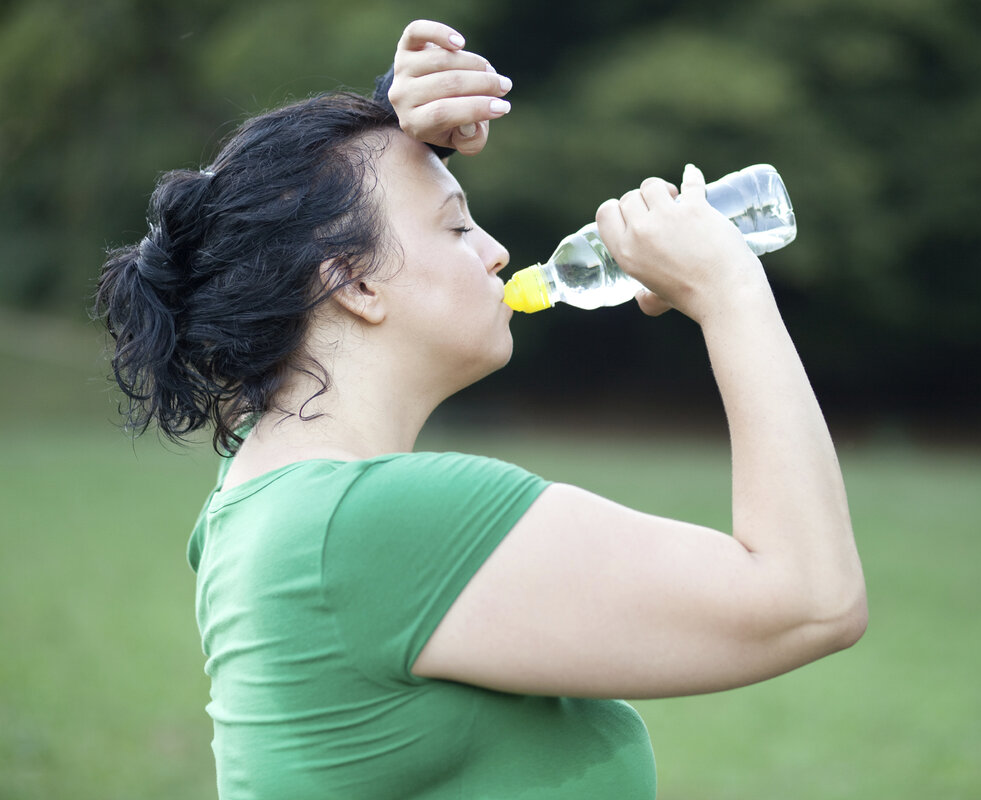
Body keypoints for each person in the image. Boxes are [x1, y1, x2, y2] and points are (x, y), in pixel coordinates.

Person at [94, 19, 867, 800]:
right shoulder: (380, 523)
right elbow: (810, 600)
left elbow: (268, 220)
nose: (495, 251)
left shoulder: (258, 495)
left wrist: (386, 118)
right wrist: (729, 289)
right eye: (456, 225)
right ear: (355, 286)